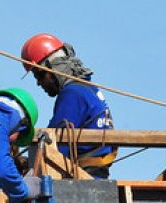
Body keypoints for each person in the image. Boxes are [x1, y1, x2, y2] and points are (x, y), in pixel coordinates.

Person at [20, 33, 116, 179]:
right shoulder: (88, 89)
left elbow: (53, 148)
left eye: (39, 75)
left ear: (52, 68)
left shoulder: (73, 94)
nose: (39, 83)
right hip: (93, 174)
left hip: (83, 178)